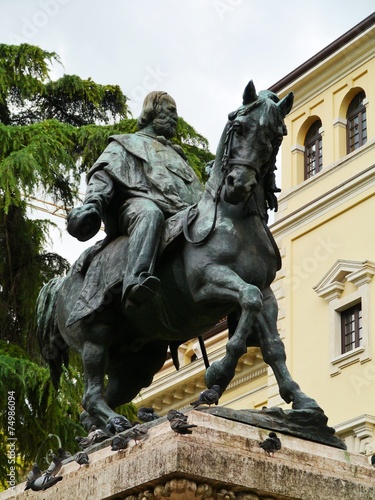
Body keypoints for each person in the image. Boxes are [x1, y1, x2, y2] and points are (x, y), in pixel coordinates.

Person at [67, 91, 203, 312]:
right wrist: (92, 205)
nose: (175, 118)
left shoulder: (177, 155)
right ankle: (136, 280)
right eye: (171, 111)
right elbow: (102, 177)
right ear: (152, 110)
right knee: (150, 214)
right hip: (134, 206)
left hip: (180, 211)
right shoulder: (126, 143)